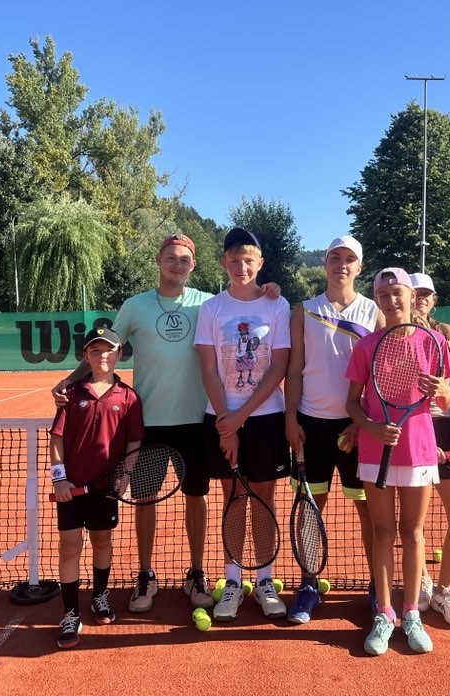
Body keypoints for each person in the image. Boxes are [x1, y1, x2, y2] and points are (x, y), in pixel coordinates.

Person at [52, 234, 280, 614]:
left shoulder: (208, 303)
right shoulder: (135, 306)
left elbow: (244, 299)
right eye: (171, 258)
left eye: (184, 260)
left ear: (194, 265)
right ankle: (146, 573)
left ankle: (196, 573)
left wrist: (268, 290)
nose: (177, 265)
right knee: (145, 500)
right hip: (147, 423)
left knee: (197, 497)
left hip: (197, 420)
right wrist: (70, 381)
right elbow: (104, 349)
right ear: (159, 260)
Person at [345, 268, 450, 655]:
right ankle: (383, 613)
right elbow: (351, 404)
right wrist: (372, 428)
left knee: (412, 533)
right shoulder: (366, 346)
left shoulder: (434, 342)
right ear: (377, 300)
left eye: (398, 293)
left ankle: (411, 613)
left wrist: (441, 390)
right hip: (376, 452)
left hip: (419, 451)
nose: (391, 300)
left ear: (411, 297)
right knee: (382, 533)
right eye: (384, 295)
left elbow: (447, 401)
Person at [284, 235, 383, 624]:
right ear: (325, 263)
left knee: (369, 511)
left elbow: (377, 376)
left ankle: (378, 586)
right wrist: (291, 418)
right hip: (311, 426)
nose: (341, 264)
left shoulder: (373, 311)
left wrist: (360, 422)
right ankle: (308, 585)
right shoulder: (304, 311)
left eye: (349, 259)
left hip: (358, 428)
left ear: (359, 267)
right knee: (311, 510)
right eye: (334, 257)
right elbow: (294, 369)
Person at [194, 227, 292, 622]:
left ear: (260, 263)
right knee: (233, 498)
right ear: (224, 263)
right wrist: (228, 423)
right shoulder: (211, 309)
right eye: (234, 260)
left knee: (264, 499)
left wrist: (241, 417)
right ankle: (233, 582)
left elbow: (279, 367)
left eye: (248, 260)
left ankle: (265, 580)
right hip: (221, 417)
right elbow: (208, 370)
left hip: (266, 418)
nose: (241, 266)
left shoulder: (277, 304)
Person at [49, 326, 144, 649]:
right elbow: (57, 438)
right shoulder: (71, 394)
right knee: (69, 547)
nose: (102, 356)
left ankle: (100, 596)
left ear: (119, 355)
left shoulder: (129, 398)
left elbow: (133, 442)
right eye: (95, 350)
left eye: (108, 351)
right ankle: (70, 613)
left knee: (102, 541)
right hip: (70, 488)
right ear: (85, 356)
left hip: (106, 489)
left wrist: (125, 476)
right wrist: (59, 478)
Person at [410, 272, 450, 627]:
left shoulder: (446, 333)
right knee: (413, 521)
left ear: (434, 300)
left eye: (426, 294)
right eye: (415, 292)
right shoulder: (394, 332)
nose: (420, 298)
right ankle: (420, 580)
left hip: (444, 429)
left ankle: (444, 590)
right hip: (411, 429)